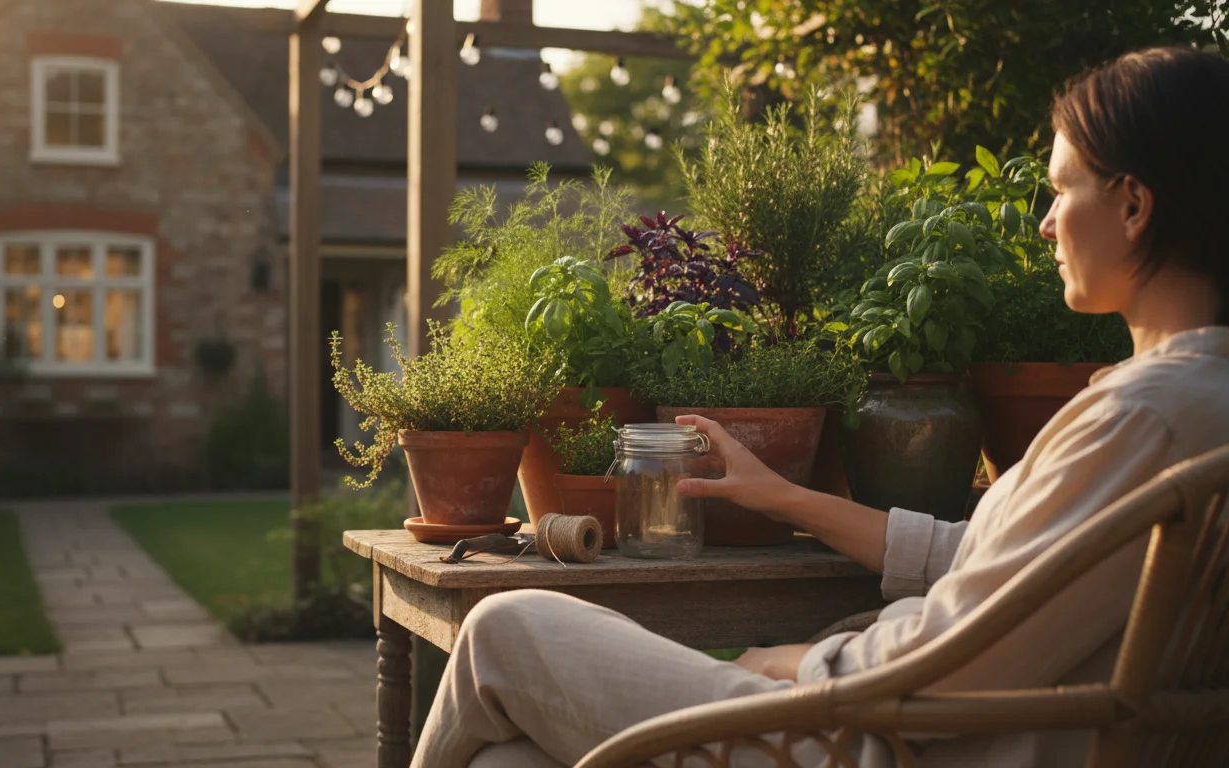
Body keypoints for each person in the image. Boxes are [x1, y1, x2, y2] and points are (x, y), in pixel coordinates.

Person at [413, 45, 1229, 768]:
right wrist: (783, 497)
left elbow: (949, 657)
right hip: (929, 727)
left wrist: (790, 663)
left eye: (1061, 189)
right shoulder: (1192, 406)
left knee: (504, 630)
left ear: (1132, 205)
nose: (1047, 223)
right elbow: (993, 563)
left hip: (869, 742)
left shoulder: (1144, 417)